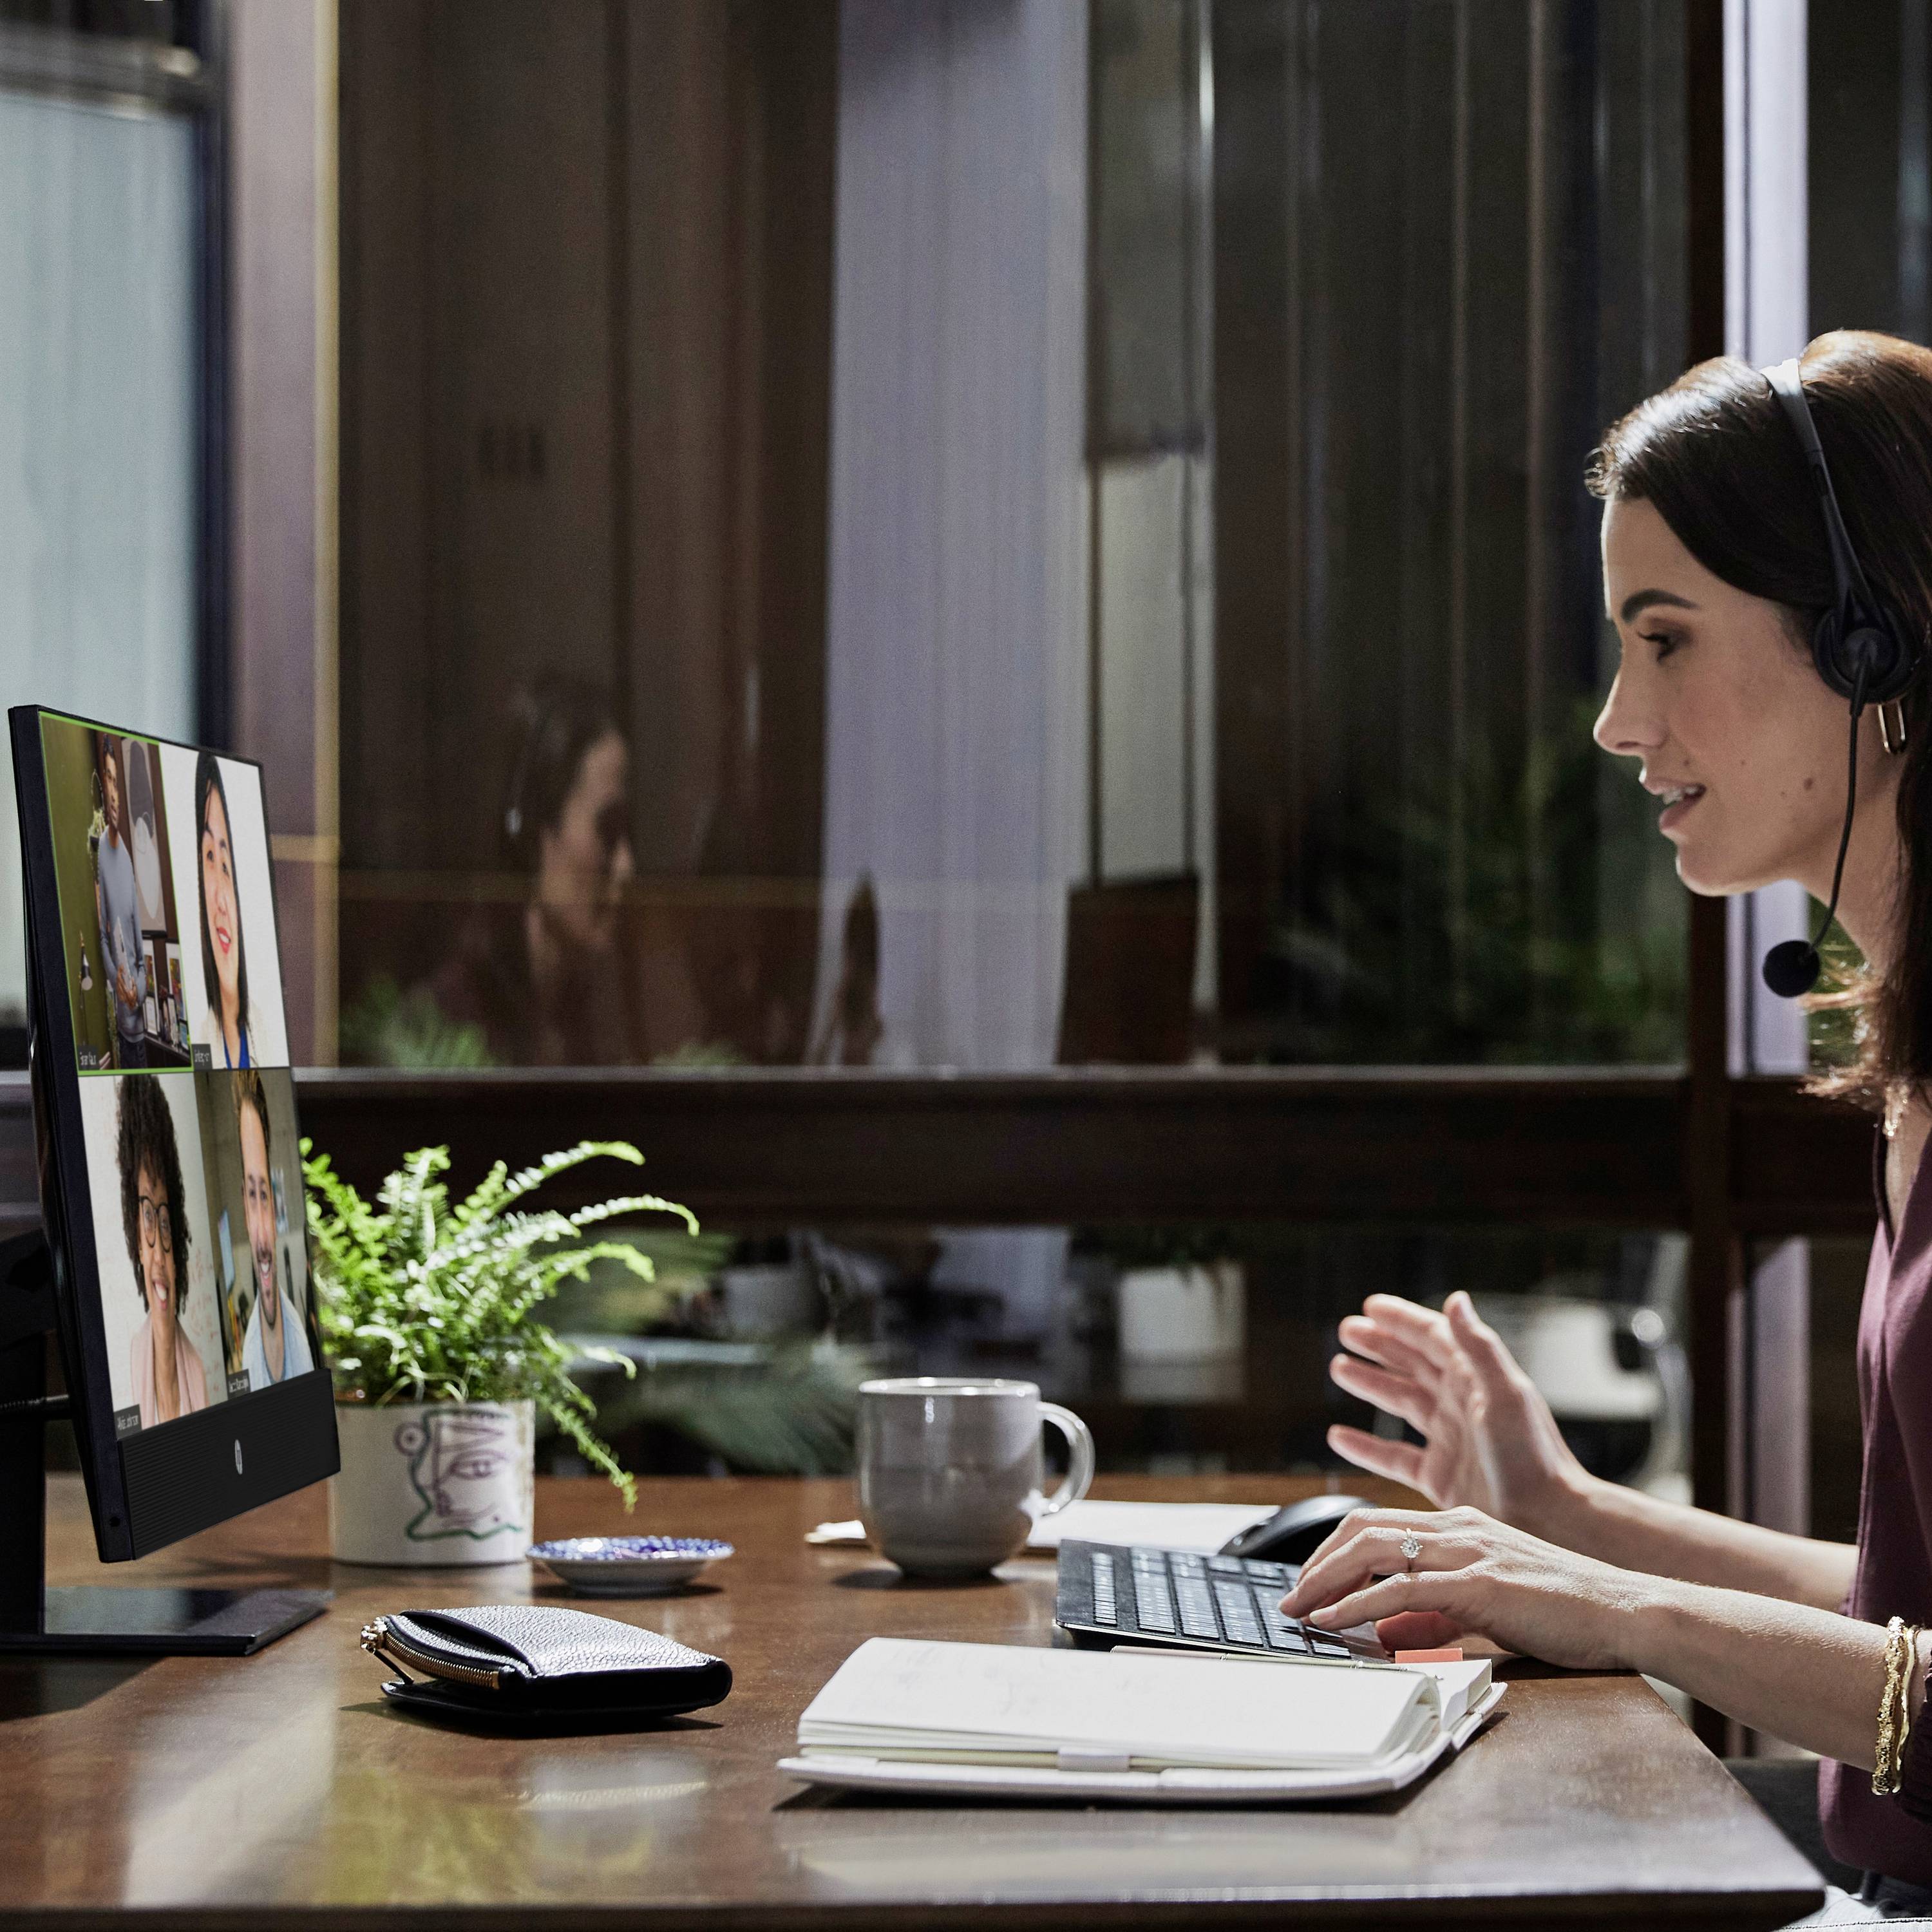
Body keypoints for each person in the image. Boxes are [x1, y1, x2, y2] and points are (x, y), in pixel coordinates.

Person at [1280, 331, 1932, 1923]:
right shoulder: (1914, 1065)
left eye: (1664, 638)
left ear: (1864, 642)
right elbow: (1896, 1623)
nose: (1616, 720)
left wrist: (1603, 1598)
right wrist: (1565, 1521)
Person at [428, 677, 641, 1064]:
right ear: (531, 834)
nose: (625, 866)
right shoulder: (442, 1036)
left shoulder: (585, 1019)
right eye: (608, 828)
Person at [119, 1077, 209, 1428]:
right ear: (136, 1244)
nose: (159, 1255)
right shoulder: (126, 1371)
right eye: (147, 1219)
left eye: (166, 1223)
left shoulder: (197, 1372)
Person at [234, 1071, 313, 1388]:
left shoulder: (299, 1342)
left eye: (264, 1195)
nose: (263, 1237)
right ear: (243, 1206)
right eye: (252, 1196)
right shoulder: (249, 1358)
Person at [196, 752, 254, 1069]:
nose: (222, 902)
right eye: (208, 857)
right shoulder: (200, 1043)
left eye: (226, 866)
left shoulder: (263, 1031)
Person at [93, 736, 147, 1070]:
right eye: (108, 780)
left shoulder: (127, 859)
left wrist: (136, 993)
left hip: (140, 1031)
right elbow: (101, 937)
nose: (113, 792)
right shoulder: (101, 853)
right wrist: (117, 981)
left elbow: (141, 957)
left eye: (117, 782)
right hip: (118, 1030)